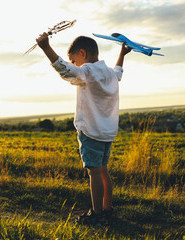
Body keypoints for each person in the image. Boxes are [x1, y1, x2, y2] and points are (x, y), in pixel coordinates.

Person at [36, 33, 131, 225]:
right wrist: (122, 53)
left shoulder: (87, 71)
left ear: (82, 53)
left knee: (94, 173)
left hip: (90, 131)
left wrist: (46, 48)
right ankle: (107, 210)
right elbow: (118, 71)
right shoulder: (109, 73)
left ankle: (96, 214)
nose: (73, 64)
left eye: (74, 60)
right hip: (107, 133)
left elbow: (65, 71)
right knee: (104, 172)